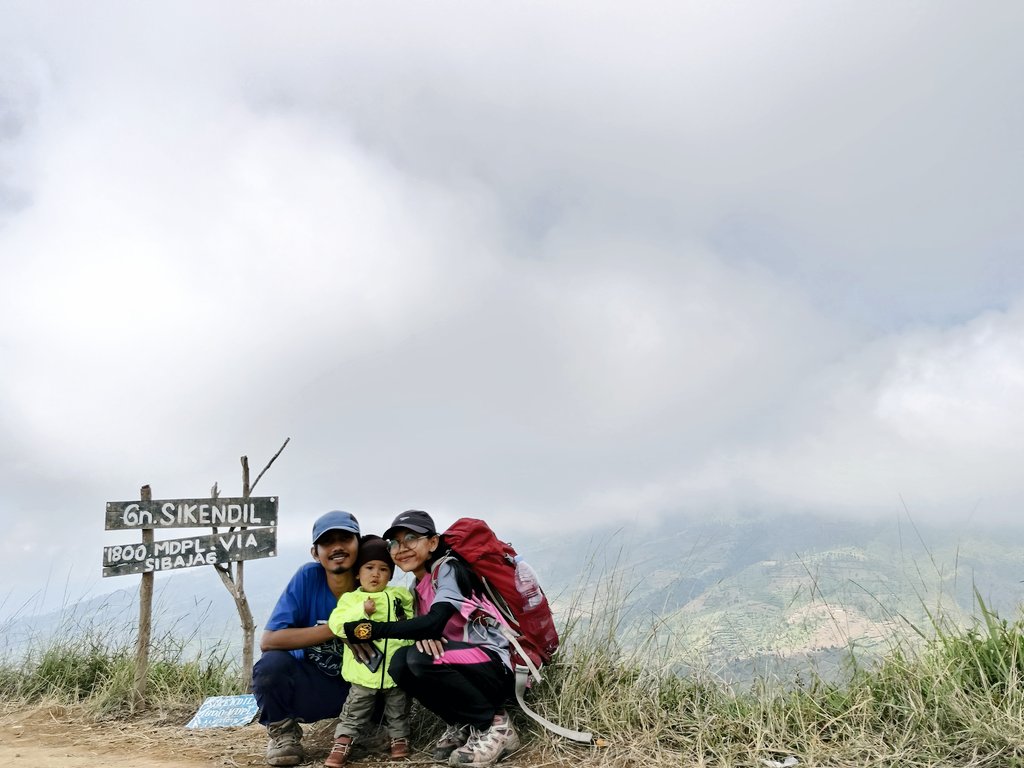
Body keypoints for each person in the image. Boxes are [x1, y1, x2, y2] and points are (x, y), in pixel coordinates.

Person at [343, 510, 521, 768]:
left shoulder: (448, 570)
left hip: (494, 665)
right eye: (394, 542)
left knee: (419, 658)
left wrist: (371, 630)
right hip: (463, 663)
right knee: (399, 664)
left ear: (433, 542)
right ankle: (463, 722)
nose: (401, 548)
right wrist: (422, 636)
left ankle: (495, 726)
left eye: (411, 538)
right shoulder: (415, 588)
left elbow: (434, 622)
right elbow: (426, 630)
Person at [252, 510, 362, 767]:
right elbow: (269, 641)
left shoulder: (372, 580)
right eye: (327, 542)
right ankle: (283, 733)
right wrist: (337, 629)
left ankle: (370, 727)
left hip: (360, 690)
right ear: (315, 552)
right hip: (313, 686)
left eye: (345, 539)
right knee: (271, 666)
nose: (337, 547)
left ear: (359, 543)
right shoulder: (308, 578)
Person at [325, 535, 415, 767]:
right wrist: (361, 611)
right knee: (355, 709)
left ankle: (399, 739)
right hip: (364, 672)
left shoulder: (400, 596)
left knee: (399, 709)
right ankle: (342, 742)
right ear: (357, 573)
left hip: (395, 670)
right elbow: (337, 624)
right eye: (369, 567)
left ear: (391, 574)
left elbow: (410, 622)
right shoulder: (351, 599)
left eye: (384, 569)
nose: (376, 574)